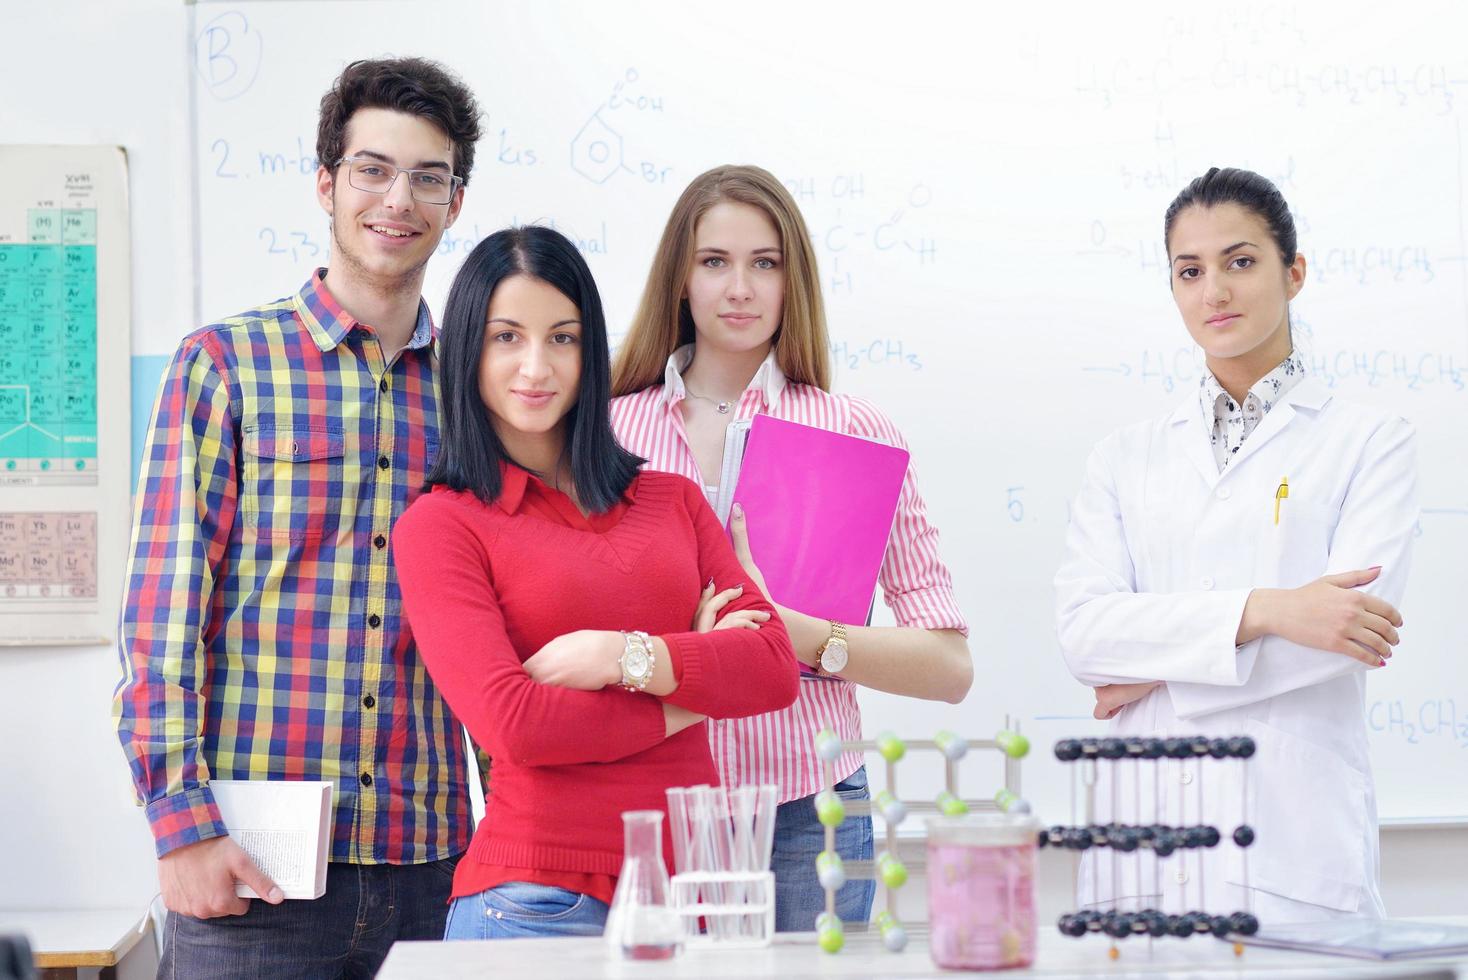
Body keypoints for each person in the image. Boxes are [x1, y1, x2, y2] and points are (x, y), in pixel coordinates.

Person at [112, 57, 481, 977]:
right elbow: (161, 624)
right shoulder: (224, 365)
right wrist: (180, 827)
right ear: (327, 183)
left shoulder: (480, 396)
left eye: (427, 177)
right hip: (252, 879)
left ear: (455, 200)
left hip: (435, 870)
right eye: (373, 169)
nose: (398, 198)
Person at [392, 225, 799, 940]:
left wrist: (622, 656)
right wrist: (691, 693)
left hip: (693, 901)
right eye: (506, 337)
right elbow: (513, 723)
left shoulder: (671, 501)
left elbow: (770, 669)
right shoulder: (441, 527)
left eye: (563, 337)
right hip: (534, 903)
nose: (536, 366)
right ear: (467, 354)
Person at [610, 164, 973, 931]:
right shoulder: (610, 435)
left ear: (792, 280)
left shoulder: (851, 431)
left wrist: (795, 633)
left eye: (764, 263)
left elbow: (949, 668)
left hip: (811, 810)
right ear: (681, 277)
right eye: (715, 262)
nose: (739, 288)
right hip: (648, 802)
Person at [1055, 167, 1417, 924]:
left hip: (1291, 853)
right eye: (1191, 271)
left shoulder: (1369, 443)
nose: (1214, 289)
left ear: (1294, 272)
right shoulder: (1123, 458)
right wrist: (1266, 610)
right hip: (1142, 844)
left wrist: (1153, 675)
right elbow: (1085, 638)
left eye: (1240, 261)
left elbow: (1344, 634)